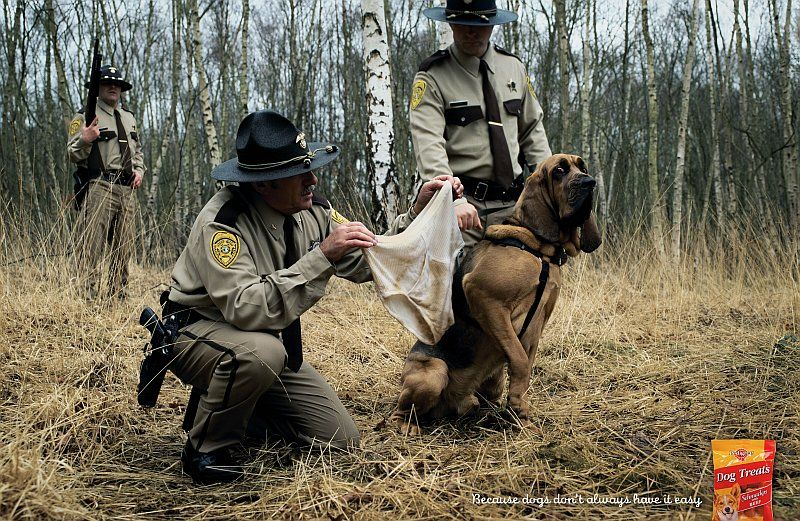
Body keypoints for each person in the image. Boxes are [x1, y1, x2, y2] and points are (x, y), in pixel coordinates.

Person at [164, 110, 463, 484]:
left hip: (257, 347)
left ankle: (236, 406)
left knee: (339, 438)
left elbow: (370, 259)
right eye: (299, 173)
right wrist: (321, 257)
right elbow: (246, 309)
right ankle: (206, 447)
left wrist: (419, 213)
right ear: (263, 185)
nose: (313, 179)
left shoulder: (312, 209)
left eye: (311, 167)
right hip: (198, 334)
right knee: (263, 354)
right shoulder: (223, 223)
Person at [410, 0, 552, 252]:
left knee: (524, 283)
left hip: (514, 205)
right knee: (456, 285)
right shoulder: (433, 76)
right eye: (462, 24)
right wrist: (452, 200)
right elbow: (429, 145)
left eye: (479, 25)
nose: (471, 32)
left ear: (493, 24)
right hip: (465, 208)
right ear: (450, 23)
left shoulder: (513, 68)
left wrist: (551, 189)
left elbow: (532, 132)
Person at [67, 65, 145, 299]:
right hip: (100, 187)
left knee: (124, 248)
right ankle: (87, 299)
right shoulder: (85, 115)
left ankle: (117, 297)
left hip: (127, 189)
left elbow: (137, 150)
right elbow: (72, 154)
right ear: (97, 88)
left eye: (117, 84)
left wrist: (139, 170)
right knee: (91, 246)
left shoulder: (128, 118)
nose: (113, 87)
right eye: (107, 83)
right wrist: (85, 140)